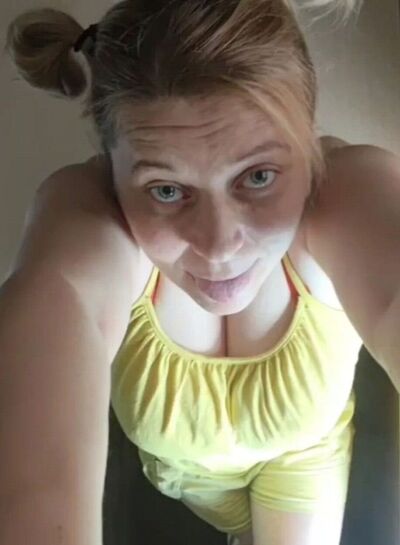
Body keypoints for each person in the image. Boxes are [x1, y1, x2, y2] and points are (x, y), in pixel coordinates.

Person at [2, 1, 399, 544]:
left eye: (258, 176)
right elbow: (59, 300)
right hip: (188, 488)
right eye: (167, 190)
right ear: (110, 173)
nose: (218, 247)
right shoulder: (91, 222)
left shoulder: (345, 192)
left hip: (305, 468)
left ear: (308, 138)